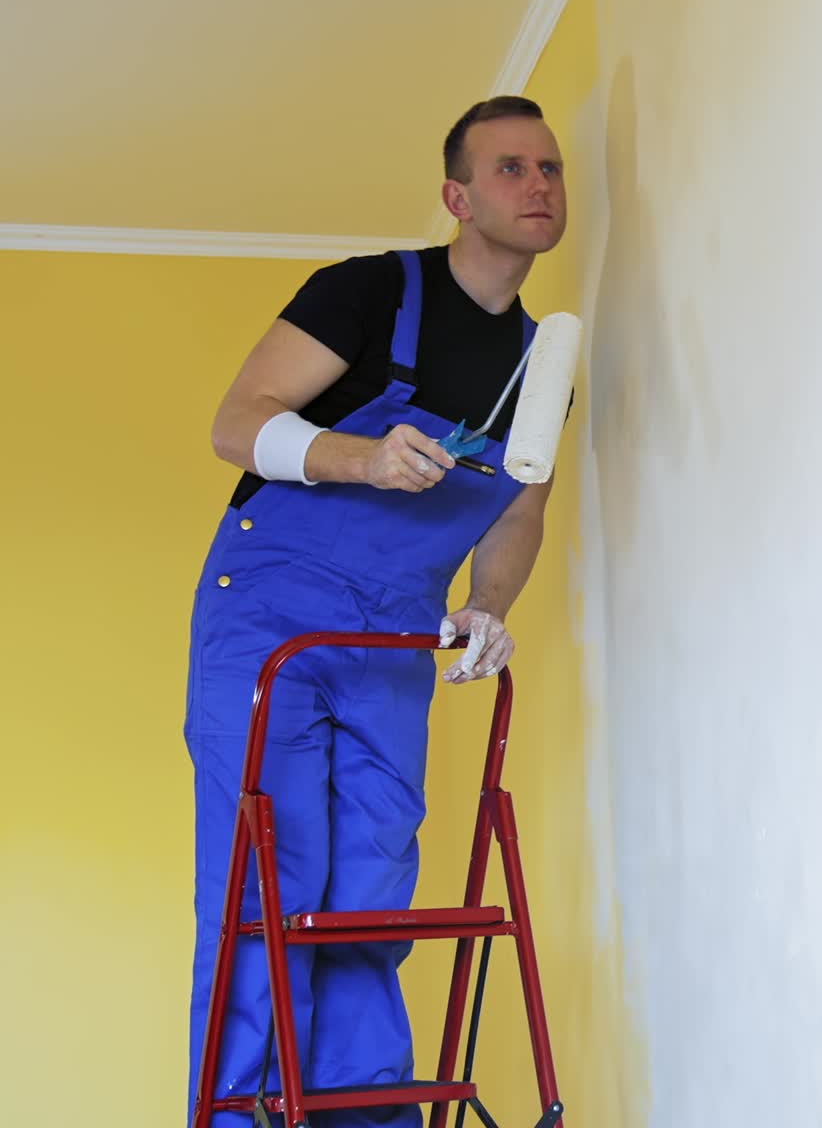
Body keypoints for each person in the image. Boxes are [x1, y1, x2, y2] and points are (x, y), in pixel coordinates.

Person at [183, 95, 568, 1127]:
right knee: (271, 874)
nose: (537, 186)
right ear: (457, 195)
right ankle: (243, 1113)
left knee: (368, 892)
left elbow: (519, 512)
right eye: (510, 168)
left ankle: (363, 1114)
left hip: (394, 632)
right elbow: (236, 424)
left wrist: (486, 604)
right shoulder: (367, 293)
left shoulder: (545, 365)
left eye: (549, 169)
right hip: (274, 614)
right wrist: (361, 455)